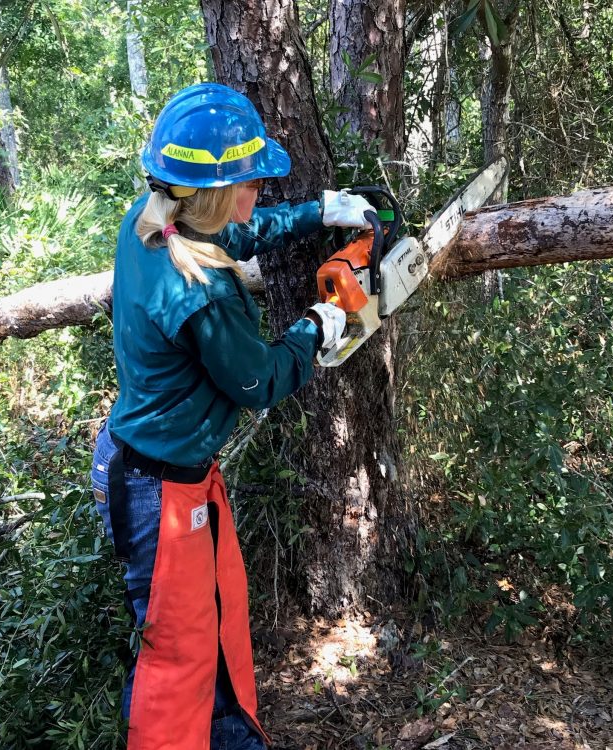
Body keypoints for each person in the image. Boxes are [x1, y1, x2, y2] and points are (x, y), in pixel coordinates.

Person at [90, 82, 376, 750]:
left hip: (164, 470)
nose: (258, 190)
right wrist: (318, 326)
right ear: (216, 191)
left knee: (212, 626)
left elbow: (241, 232)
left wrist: (317, 214)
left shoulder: (158, 218)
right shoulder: (200, 291)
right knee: (176, 657)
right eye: (250, 181)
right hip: (157, 489)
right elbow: (258, 380)